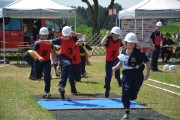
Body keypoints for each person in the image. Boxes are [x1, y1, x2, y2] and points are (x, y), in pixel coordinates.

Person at [35, 26, 82, 99]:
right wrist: (42, 41)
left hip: (69, 58)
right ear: (63, 35)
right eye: (65, 36)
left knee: (67, 71)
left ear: (70, 35)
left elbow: (81, 36)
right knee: (67, 65)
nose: (66, 37)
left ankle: (62, 87)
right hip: (62, 56)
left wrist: (74, 33)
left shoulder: (73, 38)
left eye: (67, 36)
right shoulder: (60, 39)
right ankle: (61, 84)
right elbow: (50, 41)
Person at [112, 32, 150, 120]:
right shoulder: (123, 51)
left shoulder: (139, 52)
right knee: (125, 92)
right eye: (130, 42)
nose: (131, 44)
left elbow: (147, 62)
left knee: (132, 95)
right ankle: (127, 113)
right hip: (126, 74)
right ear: (126, 43)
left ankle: (131, 98)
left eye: (133, 43)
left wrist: (147, 74)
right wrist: (115, 67)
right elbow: (122, 62)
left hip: (137, 75)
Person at [33, 27, 55, 98]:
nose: (45, 36)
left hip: (47, 61)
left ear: (48, 35)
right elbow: (34, 51)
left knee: (47, 76)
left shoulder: (50, 43)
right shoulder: (37, 42)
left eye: (46, 35)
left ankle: (47, 91)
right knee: (38, 76)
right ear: (40, 35)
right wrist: (39, 57)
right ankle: (39, 75)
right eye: (43, 35)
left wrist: (54, 60)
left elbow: (53, 51)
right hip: (38, 61)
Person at [101, 26, 122, 98]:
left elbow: (125, 45)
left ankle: (118, 79)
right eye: (115, 35)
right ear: (112, 34)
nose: (116, 37)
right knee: (108, 75)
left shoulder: (119, 41)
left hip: (116, 58)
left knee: (117, 66)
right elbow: (102, 43)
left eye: (117, 36)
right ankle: (107, 88)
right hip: (108, 60)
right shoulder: (108, 40)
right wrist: (106, 35)